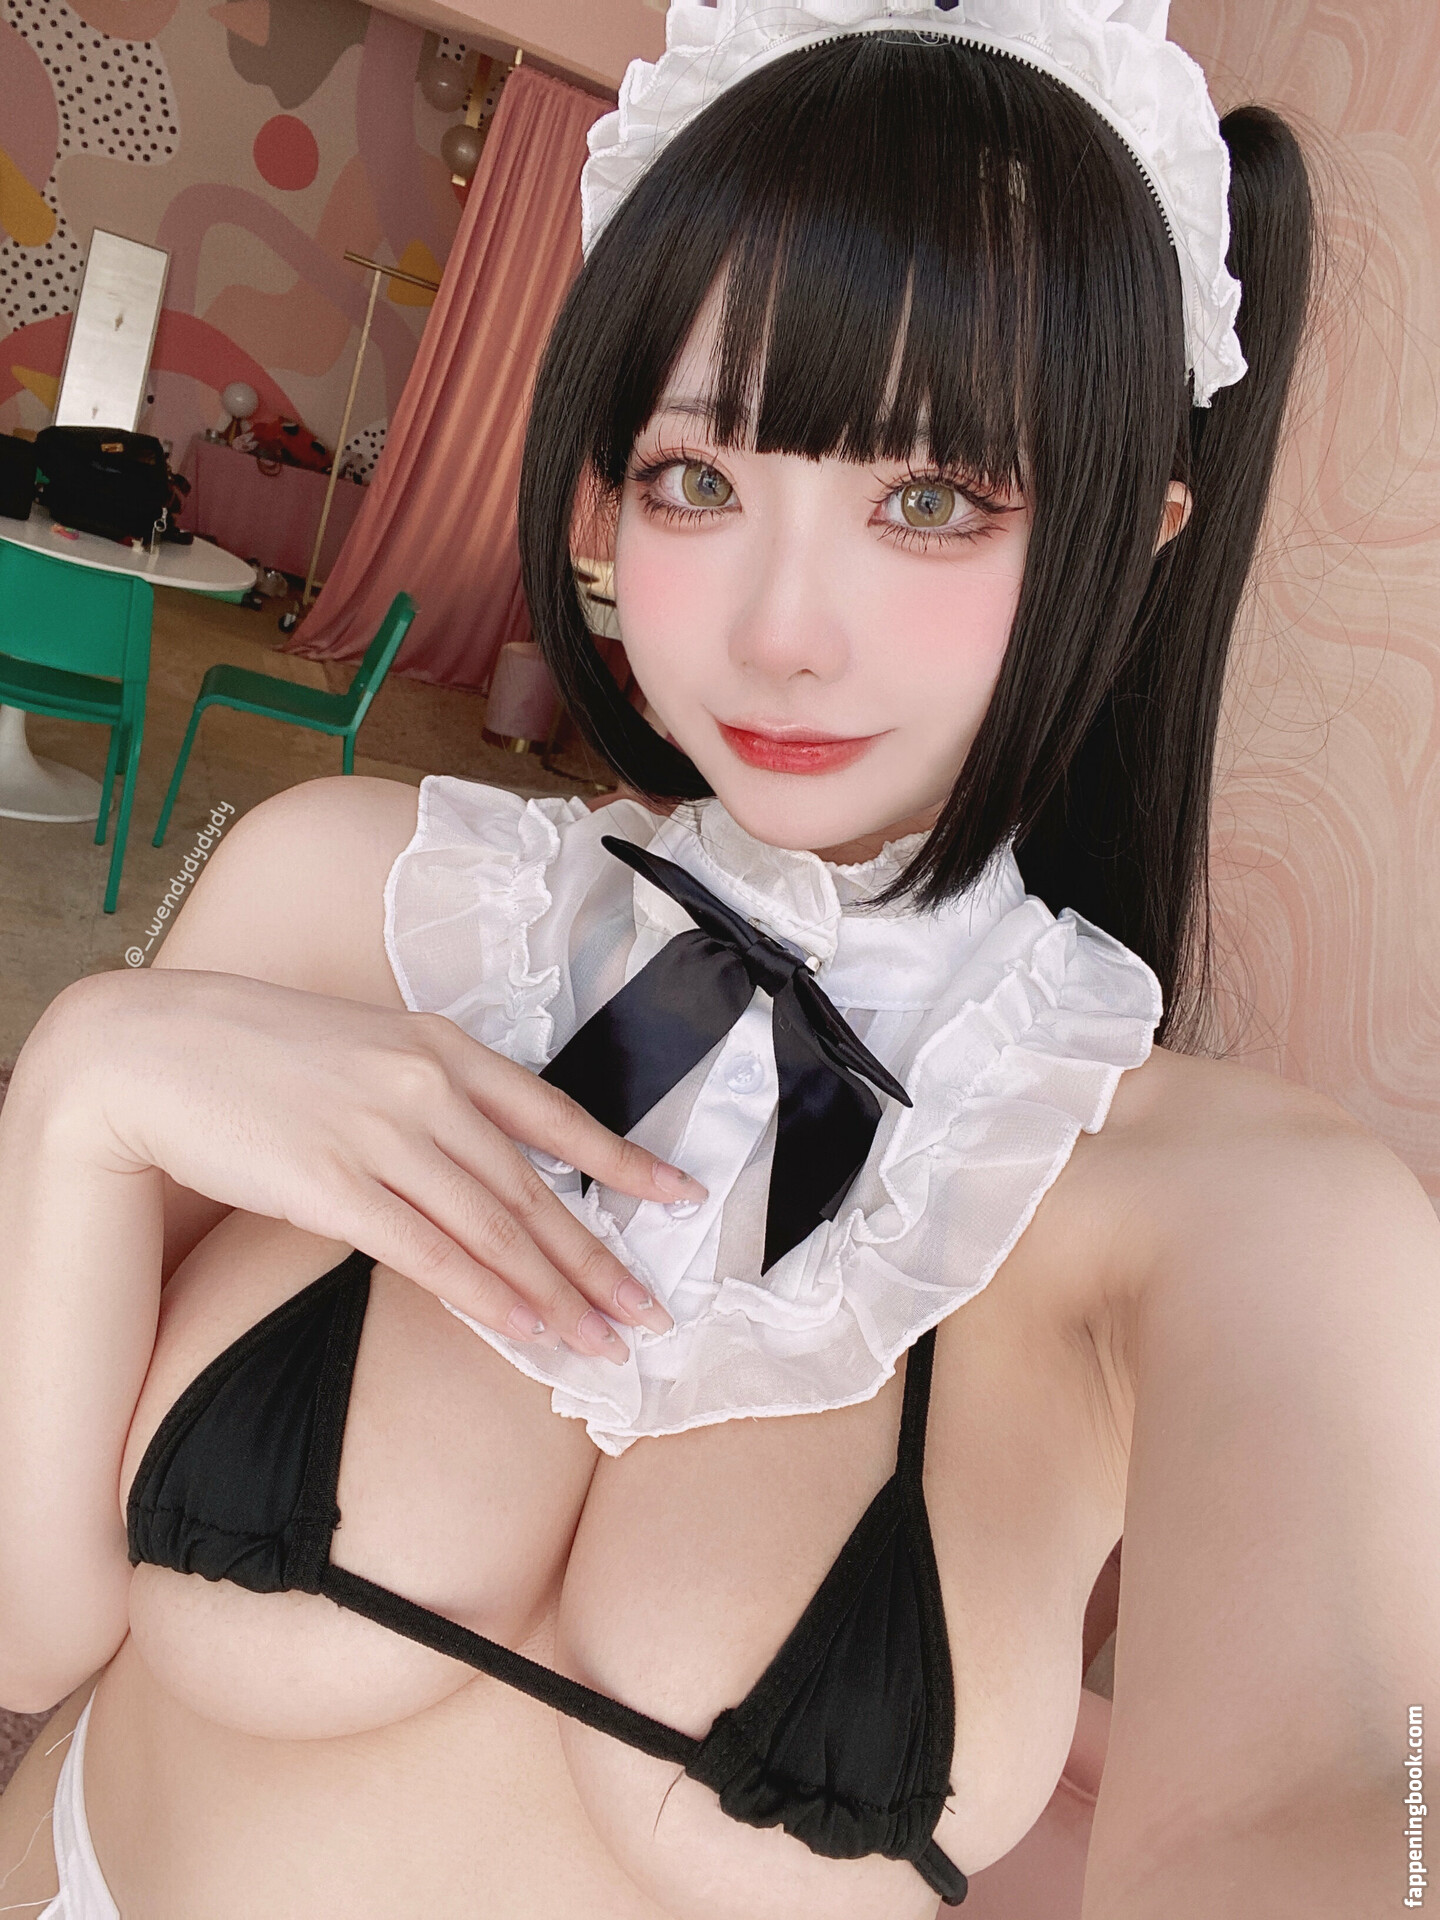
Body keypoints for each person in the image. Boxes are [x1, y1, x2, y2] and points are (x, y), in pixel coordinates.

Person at [2, 4, 1437, 1916]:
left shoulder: (1244, 1214)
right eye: (698, 477)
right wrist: (84, 1084)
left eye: (930, 502)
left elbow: (1350, 1795)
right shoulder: (350, 899)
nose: (780, 632)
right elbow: (29, 1637)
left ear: (1137, 539)